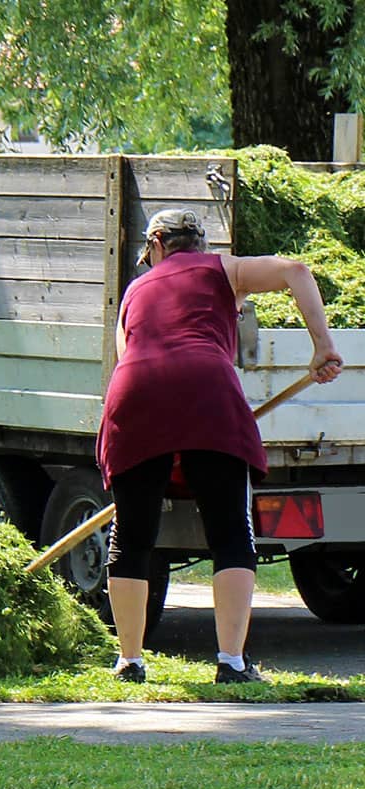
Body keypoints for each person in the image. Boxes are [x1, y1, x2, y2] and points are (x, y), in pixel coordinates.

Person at [96, 208, 343, 684]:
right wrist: (322, 346)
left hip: (135, 391)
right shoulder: (223, 268)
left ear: (158, 245)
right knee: (230, 531)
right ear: (199, 243)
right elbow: (296, 270)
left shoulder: (133, 291)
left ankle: (130, 661)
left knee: (131, 535)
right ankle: (231, 662)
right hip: (207, 386)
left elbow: (129, 355)